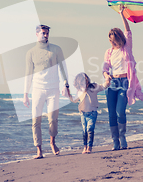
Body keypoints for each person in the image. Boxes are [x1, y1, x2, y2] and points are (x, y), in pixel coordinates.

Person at [102, 5, 143, 150]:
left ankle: (122, 136)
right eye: (110, 41)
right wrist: (106, 75)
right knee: (111, 113)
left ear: (119, 39)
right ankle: (115, 141)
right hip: (112, 83)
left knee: (120, 111)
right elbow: (105, 67)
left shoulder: (126, 48)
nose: (112, 43)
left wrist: (121, 14)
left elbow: (128, 31)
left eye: (114, 40)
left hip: (124, 82)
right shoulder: (108, 52)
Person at [23, 24, 69, 159]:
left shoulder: (56, 49)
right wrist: (25, 94)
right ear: (37, 34)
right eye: (43, 33)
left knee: (53, 119)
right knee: (35, 120)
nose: (45, 35)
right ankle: (39, 150)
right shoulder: (30, 52)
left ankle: (52, 142)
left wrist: (66, 84)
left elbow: (63, 67)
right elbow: (28, 74)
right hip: (37, 89)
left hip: (53, 88)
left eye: (47, 33)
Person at [67, 73, 110, 154]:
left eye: (86, 82)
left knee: (90, 129)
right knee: (84, 131)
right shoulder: (79, 91)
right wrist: (68, 94)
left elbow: (103, 86)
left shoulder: (93, 87)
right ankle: (85, 147)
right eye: (82, 83)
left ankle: (89, 147)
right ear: (78, 83)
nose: (85, 84)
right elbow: (74, 100)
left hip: (92, 113)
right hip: (83, 114)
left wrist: (107, 81)